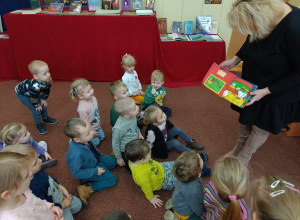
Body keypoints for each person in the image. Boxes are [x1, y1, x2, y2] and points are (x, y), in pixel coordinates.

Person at [220, 0, 300, 166]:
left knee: (260, 125)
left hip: (278, 88)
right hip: (256, 79)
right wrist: (235, 60)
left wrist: (266, 91)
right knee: (248, 117)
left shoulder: (295, 27)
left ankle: (244, 157)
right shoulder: (264, 16)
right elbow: (252, 39)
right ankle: (237, 149)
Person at [3, 144, 80, 220]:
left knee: (78, 205)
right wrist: (62, 205)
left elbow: (37, 201)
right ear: (7, 194)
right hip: (55, 208)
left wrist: (51, 206)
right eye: (26, 175)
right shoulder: (14, 217)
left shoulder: (24, 190)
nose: (30, 173)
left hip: (51, 206)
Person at [64, 118, 117, 207]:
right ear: (77, 139)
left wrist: (91, 136)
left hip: (96, 159)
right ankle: (87, 188)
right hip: (90, 169)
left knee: (113, 163)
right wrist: (95, 171)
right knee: (112, 179)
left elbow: (91, 149)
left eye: (90, 130)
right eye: (88, 133)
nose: (92, 133)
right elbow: (76, 173)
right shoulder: (76, 154)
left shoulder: (83, 139)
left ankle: (101, 169)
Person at [124, 139, 177, 208]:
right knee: (181, 177)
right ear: (141, 160)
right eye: (149, 153)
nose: (151, 152)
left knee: (177, 163)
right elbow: (146, 188)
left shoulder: (135, 159)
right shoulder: (141, 175)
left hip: (160, 167)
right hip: (162, 180)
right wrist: (151, 198)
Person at [15, 60, 58, 134]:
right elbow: (33, 97)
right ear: (36, 76)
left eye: (48, 71)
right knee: (36, 110)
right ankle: (39, 125)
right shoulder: (34, 86)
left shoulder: (49, 80)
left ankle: (45, 118)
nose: (48, 75)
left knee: (43, 104)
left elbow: (46, 91)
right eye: (44, 74)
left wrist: (43, 100)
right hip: (22, 93)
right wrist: (37, 105)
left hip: (33, 92)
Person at [164, 151, 205, 220]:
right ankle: (176, 217)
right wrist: (201, 213)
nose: (198, 154)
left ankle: (174, 209)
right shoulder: (194, 189)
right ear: (199, 169)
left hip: (177, 201)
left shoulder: (182, 174)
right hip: (184, 213)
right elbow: (196, 205)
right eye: (200, 159)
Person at [70, 78, 105, 147]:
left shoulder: (93, 98)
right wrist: (91, 132)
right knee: (96, 143)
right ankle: (83, 140)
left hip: (97, 125)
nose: (92, 91)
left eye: (91, 88)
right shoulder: (82, 109)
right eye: (88, 91)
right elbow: (85, 123)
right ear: (80, 96)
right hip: (90, 129)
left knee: (102, 137)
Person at [112, 97, 143, 171]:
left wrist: (139, 133)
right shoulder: (119, 128)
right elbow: (115, 143)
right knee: (133, 169)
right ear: (126, 116)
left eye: (135, 105)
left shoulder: (132, 116)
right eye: (134, 108)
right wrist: (119, 157)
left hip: (134, 142)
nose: (137, 107)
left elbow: (135, 126)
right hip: (126, 150)